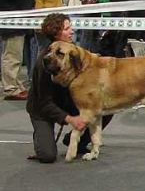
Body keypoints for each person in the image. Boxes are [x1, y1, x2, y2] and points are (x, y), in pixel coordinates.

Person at [26, 13, 110, 163]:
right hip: (42, 109)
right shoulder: (44, 62)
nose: (72, 31)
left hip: (67, 101)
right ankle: (41, 139)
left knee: (106, 107)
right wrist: (70, 119)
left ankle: (78, 141)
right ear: (56, 33)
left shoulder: (73, 51)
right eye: (67, 28)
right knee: (47, 156)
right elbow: (44, 103)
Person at [0, 0, 35, 101]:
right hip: (11, 19)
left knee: (14, 55)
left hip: (15, 18)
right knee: (12, 55)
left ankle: (14, 85)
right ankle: (11, 88)